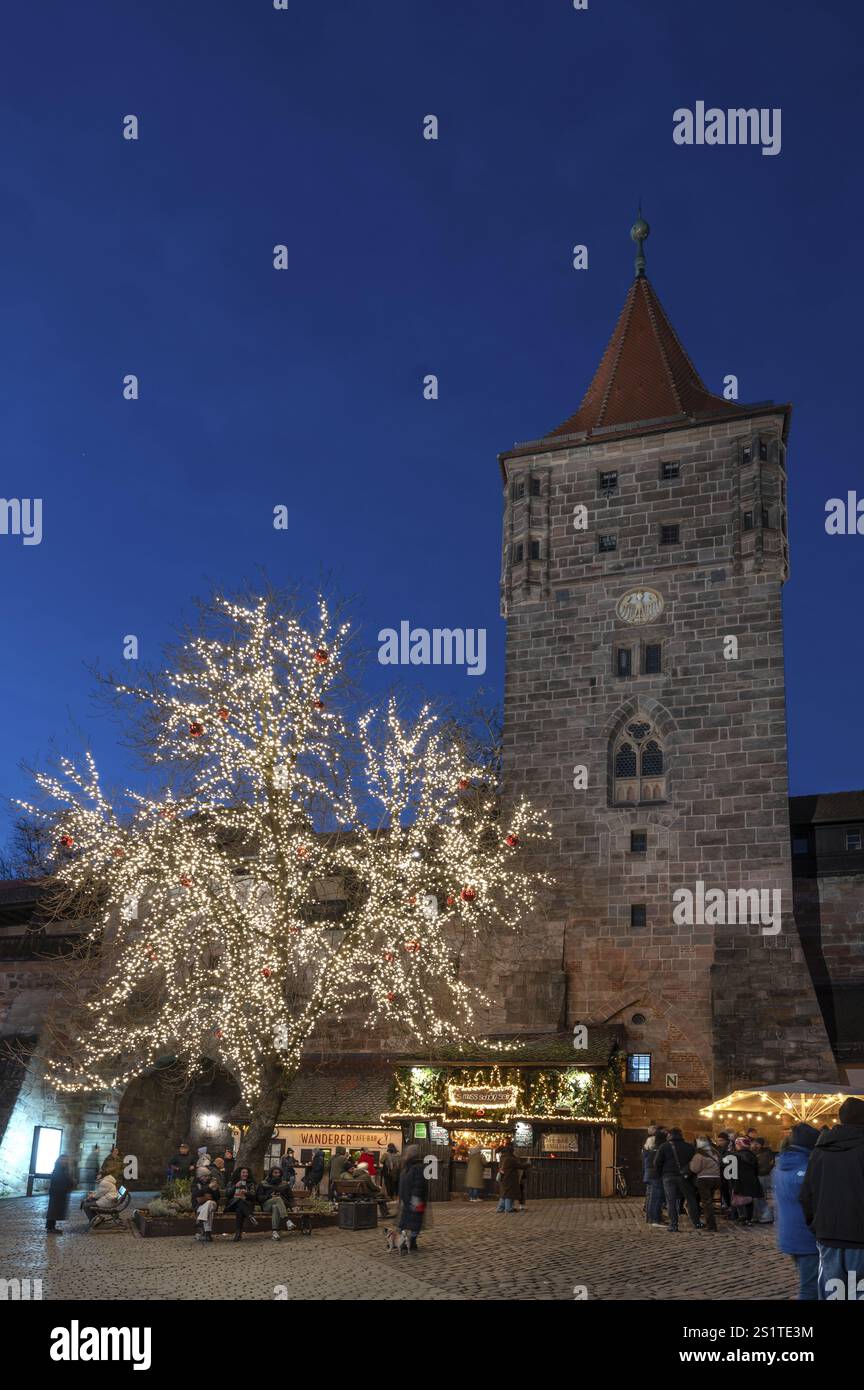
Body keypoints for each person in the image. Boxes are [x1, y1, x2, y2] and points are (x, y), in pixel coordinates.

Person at [799, 1096, 864, 1300]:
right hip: (859, 1236)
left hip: (829, 1233)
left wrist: (817, 1225)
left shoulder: (819, 1151)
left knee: (833, 1294)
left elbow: (806, 1195)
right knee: (858, 1293)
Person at [774, 1122, 819, 1300]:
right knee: (810, 1289)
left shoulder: (780, 1167)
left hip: (790, 1235)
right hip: (806, 1237)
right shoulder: (807, 1170)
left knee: (809, 1284)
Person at [654, 1128, 702, 1231]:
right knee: (691, 1199)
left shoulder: (664, 1146)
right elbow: (694, 1162)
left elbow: (657, 1163)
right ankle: (696, 1223)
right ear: (681, 1135)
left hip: (668, 1176)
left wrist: (660, 1175)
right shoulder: (689, 1147)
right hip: (685, 1176)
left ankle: (673, 1225)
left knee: (670, 1201)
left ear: (670, 1135)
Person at [397, 1144, 428, 1252]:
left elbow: (418, 1185)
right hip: (407, 1200)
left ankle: (412, 1241)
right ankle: (406, 1241)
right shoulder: (407, 1166)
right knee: (405, 1223)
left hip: (414, 1200)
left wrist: (415, 1199)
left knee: (414, 1223)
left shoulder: (417, 1167)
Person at [689, 1137, 721, 1231]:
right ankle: (711, 1224)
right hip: (716, 1178)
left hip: (704, 1179)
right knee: (709, 1201)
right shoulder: (716, 1153)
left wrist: (691, 1163)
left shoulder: (699, 1155)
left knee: (707, 1203)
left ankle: (711, 1225)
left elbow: (695, 1169)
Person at [730, 1137, 762, 1225]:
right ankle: (748, 1219)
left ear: (739, 1145)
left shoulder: (736, 1156)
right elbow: (756, 1169)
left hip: (739, 1180)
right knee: (749, 1200)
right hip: (751, 1180)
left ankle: (741, 1217)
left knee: (739, 1199)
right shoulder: (753, 1155)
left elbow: (732, 1170)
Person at [258, 1166, 295, 1240]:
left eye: (279, 1173)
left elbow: (291, 1197)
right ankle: (287, 1220)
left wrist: (294, 1206)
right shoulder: (264, 1183)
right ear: (271, 1173)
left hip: (280, 1207)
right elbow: (259, 1198)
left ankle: (274, 1232)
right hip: (266, 1205)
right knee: (277, 1199)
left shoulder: (284, 1184)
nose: (277, 1174)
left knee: (275, 1207)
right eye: (275, 1173)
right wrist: (269, 1196)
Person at [225, 1167, 259, 1242]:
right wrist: (235, 1187)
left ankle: (238, 1233)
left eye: (246, 1173)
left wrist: (247, 1192)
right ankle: (250, 1216)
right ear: (239, 1174)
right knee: (239, 1202)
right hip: (232, 1205)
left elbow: (253, 1196)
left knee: (240, 1208)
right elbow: (227, 1194)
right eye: (243, 1172)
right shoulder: (232, 1183)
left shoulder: (250, 1184)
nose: (245, 1174)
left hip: (245, 1205)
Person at [46, 1154, 75, 1234]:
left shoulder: (64, 1168)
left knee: (54, 1210)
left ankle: (51, 1227)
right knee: (53, 1210)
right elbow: (59, 1179)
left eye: (66, 1160)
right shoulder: (58, 1169)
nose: (64, 1161)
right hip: (57, 1192)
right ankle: (50, 1228)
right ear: (59, 1160)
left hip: (60, 1192)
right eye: (63, 1160)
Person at [647, 1127, 668, 1227]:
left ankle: (652, 1218)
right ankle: (655, 1219)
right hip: (658, 1175)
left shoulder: (654, 1147)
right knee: (657, 1198)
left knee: (653, 1197)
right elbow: (658, 1163)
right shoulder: (662, 1148)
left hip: (653, 1175)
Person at [496, 1143, 524, 1214]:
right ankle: (508, 1208)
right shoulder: (510, 1159)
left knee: (504, 1193)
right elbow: (519, 1165)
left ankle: (500, 1208)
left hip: (503, 1178)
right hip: (509, 1178)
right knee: (509, 1194)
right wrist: (528, 1165)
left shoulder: (503, 1157)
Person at [752, 1137, 775, 1223]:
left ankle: (767, 1216)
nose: (754, 1145)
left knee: (763, 1197)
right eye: (753, 1143)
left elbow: (764, 1167)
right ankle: (761, 1215)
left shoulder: (766, 1154)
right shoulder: (758, 1153)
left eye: (756, 1144)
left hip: (763, 1176)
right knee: (759, 1197)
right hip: (760, 1176)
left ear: (761, 1145)